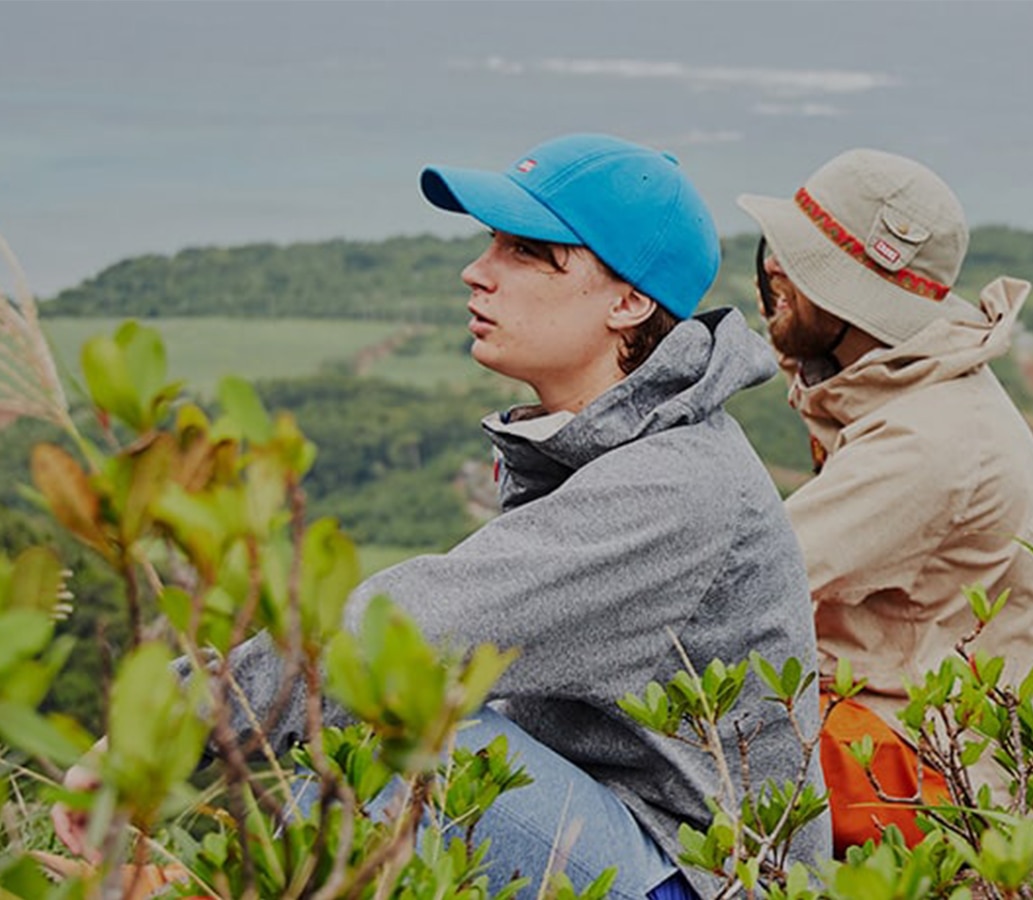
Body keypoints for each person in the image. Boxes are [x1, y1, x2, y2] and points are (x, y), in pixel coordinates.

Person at [56, 133, 830, 897]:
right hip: (629, 843)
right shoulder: (613, 446)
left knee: (414, 726)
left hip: (700, 879)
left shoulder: (671, 485)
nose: (476, 271)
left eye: (527, 251)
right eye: (490, 242)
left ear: (628, 302)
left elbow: (397, 638)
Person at [737, 147, 1033, 855]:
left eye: (797, 260)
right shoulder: (910, 387)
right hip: (902, 728)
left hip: (919, 771)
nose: (772, 266)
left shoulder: (926, 443)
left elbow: (744, 588)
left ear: (853, 300)